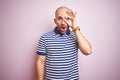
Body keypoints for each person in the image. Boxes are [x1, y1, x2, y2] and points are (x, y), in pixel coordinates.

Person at [36, 6, 92, 80]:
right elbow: (40, 62)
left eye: (67, 18)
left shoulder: (76, 36)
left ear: (71, 20)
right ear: (55, 21)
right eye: (59, 18)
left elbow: (88, 51)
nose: (63, 22)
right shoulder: (44, 38)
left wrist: (75, 27)